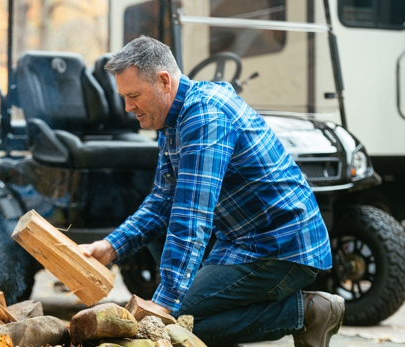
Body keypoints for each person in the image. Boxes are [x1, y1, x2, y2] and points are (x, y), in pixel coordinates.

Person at [79, 36, 345, 347]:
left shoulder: (205, 116)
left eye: (134, 95)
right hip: (240, 239)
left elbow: (192, 214)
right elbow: (162, 202)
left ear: (164, 81)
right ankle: (219, 303)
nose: (128, 107)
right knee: (163, 242)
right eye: (124, 97)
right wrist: (110, 247)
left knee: (179, 324)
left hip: (281, 246)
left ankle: (308, 311)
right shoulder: (171, 122)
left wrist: (165, 304)